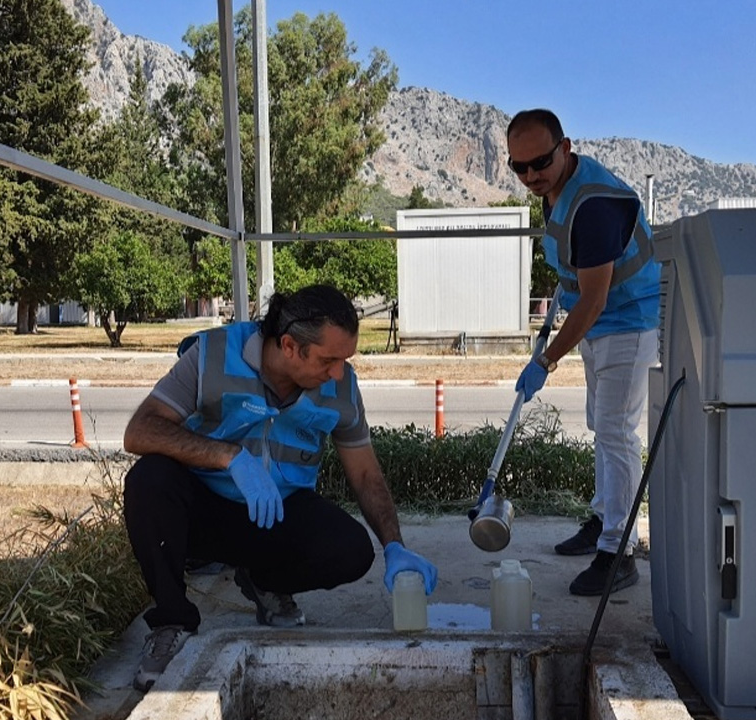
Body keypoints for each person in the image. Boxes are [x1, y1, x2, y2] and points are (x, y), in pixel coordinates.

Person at [121, 284, 439, 691]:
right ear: (290, 346)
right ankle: (172, 621)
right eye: (329, 360)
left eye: (345, 359)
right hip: (203, 512)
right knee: (150, 480)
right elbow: (140, 430)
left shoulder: (341, 386)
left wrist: (395, 544)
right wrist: (229, 457)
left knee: (352, 550)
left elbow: (365, 474)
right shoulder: (211, 356)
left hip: (277, 514)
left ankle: (266, 583)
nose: (339, 372)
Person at [506, 108, 660, 597]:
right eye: (519, 167)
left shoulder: (593, 205)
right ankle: (602, 520)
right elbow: (574, 269)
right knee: (602, 424)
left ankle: (619, 551)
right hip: (602, 323)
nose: (531, 175)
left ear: (566, 147)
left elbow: (594, 300)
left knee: (616, 431)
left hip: (628, 321)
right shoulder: (556, 190)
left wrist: (545, 360)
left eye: (540, 162)